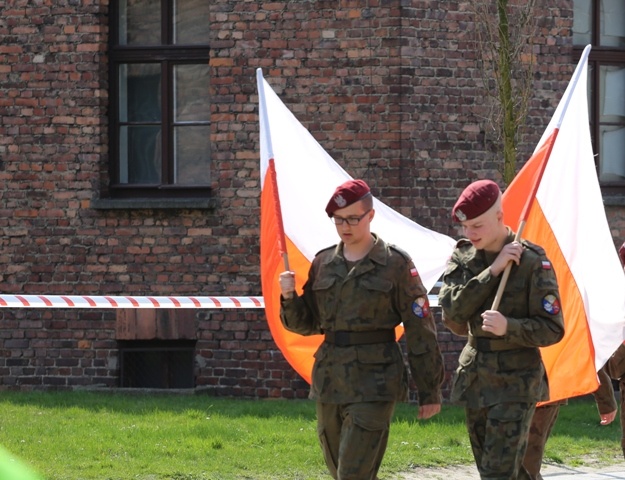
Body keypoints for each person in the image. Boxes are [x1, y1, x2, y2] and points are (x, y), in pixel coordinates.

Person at [278, 179, 445, 480]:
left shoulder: (395, 264)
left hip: (375, 381)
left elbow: (421, 329)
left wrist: (429, 389)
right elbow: (306, 323)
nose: (345, 226)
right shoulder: (324, 263)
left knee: (352, 474)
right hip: (331, 382)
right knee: (342, 470)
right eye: (339, 220)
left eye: (353, 218)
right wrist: (289, 297)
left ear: (370, 215)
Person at [438, 179, 565, 480]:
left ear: (499, 216)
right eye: (466, 227)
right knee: (498, 471)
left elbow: (552, 329)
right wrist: (492, 272)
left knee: (497, 473)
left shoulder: (532, 261)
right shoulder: (463, 257)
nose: (471, 233)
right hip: (476, 379)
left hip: (516, 381)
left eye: (478, 226)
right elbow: (453, 308)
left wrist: (509, 326)